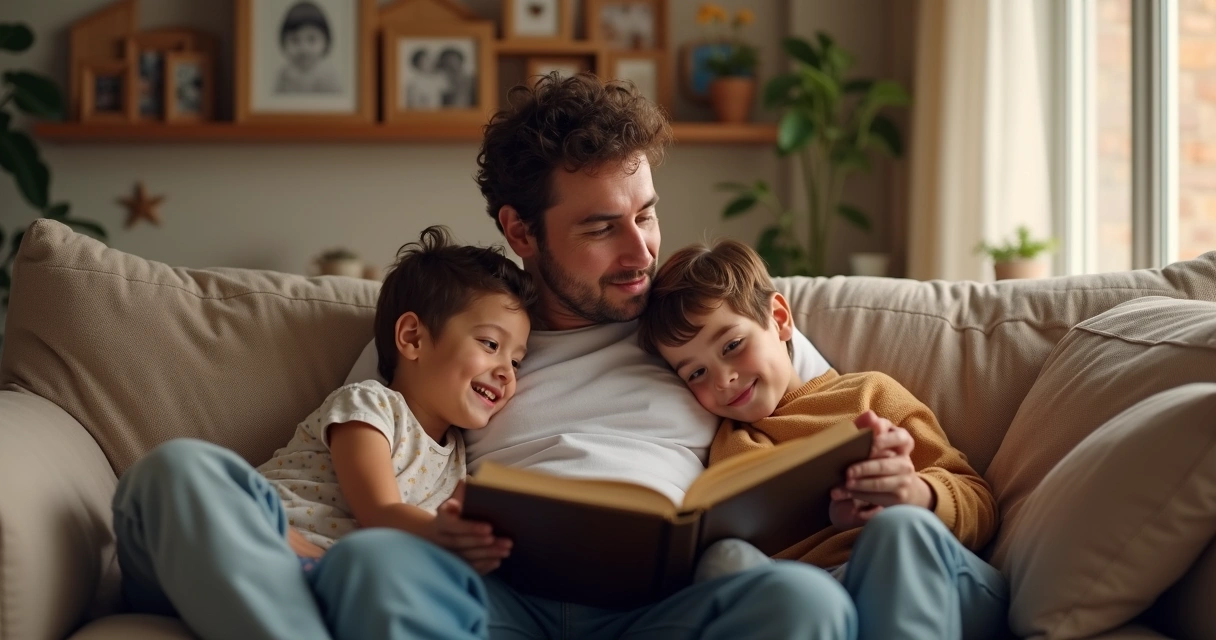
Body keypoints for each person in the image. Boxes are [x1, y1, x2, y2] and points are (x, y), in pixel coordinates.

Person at [112, 226, 534, 639]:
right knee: (180, 466)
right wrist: (436, 533)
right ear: (412, 337)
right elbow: (378, 512)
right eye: (490, 345)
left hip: (338, 590)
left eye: (517, 362)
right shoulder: (370, 405)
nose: (505, 373)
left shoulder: (462, 458)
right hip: (261, 551)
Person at [637, 238, 1010, 639]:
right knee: (726, 560)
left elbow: (979, 501)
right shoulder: (730, 448)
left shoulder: (868, 396)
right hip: (822, 607)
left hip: (933, 584)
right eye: (696, 374)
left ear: (779, 318)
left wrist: (918, 495)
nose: (723, 379)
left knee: (899, 528)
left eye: (732, 345)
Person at [275, 1, 341, 94]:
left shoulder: (329, 75)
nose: (303, 48)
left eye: (311, 39)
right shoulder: (284, 76)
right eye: (295, 40)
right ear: (283, 42)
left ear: (326, 41)